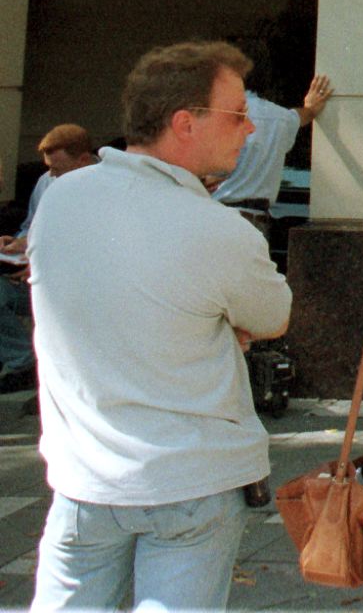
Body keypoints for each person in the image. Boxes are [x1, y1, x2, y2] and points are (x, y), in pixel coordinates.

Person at [27, 41, 291, 611]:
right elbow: (272, 316)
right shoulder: (219, 231)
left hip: (83, 481)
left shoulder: (60, 199)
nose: (250, 130)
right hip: (191, 484)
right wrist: (221, 327)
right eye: (238, 113)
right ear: (184, 123)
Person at [0, 125, 100, 391]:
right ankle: (23, 361)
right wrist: (19, 243)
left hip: (76, 285)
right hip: (34, 270)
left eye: (58, 169)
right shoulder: (48, 180)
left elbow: (94, 248)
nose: (52, 175)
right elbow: (33, 224)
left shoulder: (105, 189)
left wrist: (44, 266)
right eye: (49, 168)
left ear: (83, 160)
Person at [211, 72, 331, 240]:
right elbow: (301, 116)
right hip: (257, 222)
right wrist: (310, 108)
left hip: (220, 218)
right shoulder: (280, 118)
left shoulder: (218, 115)